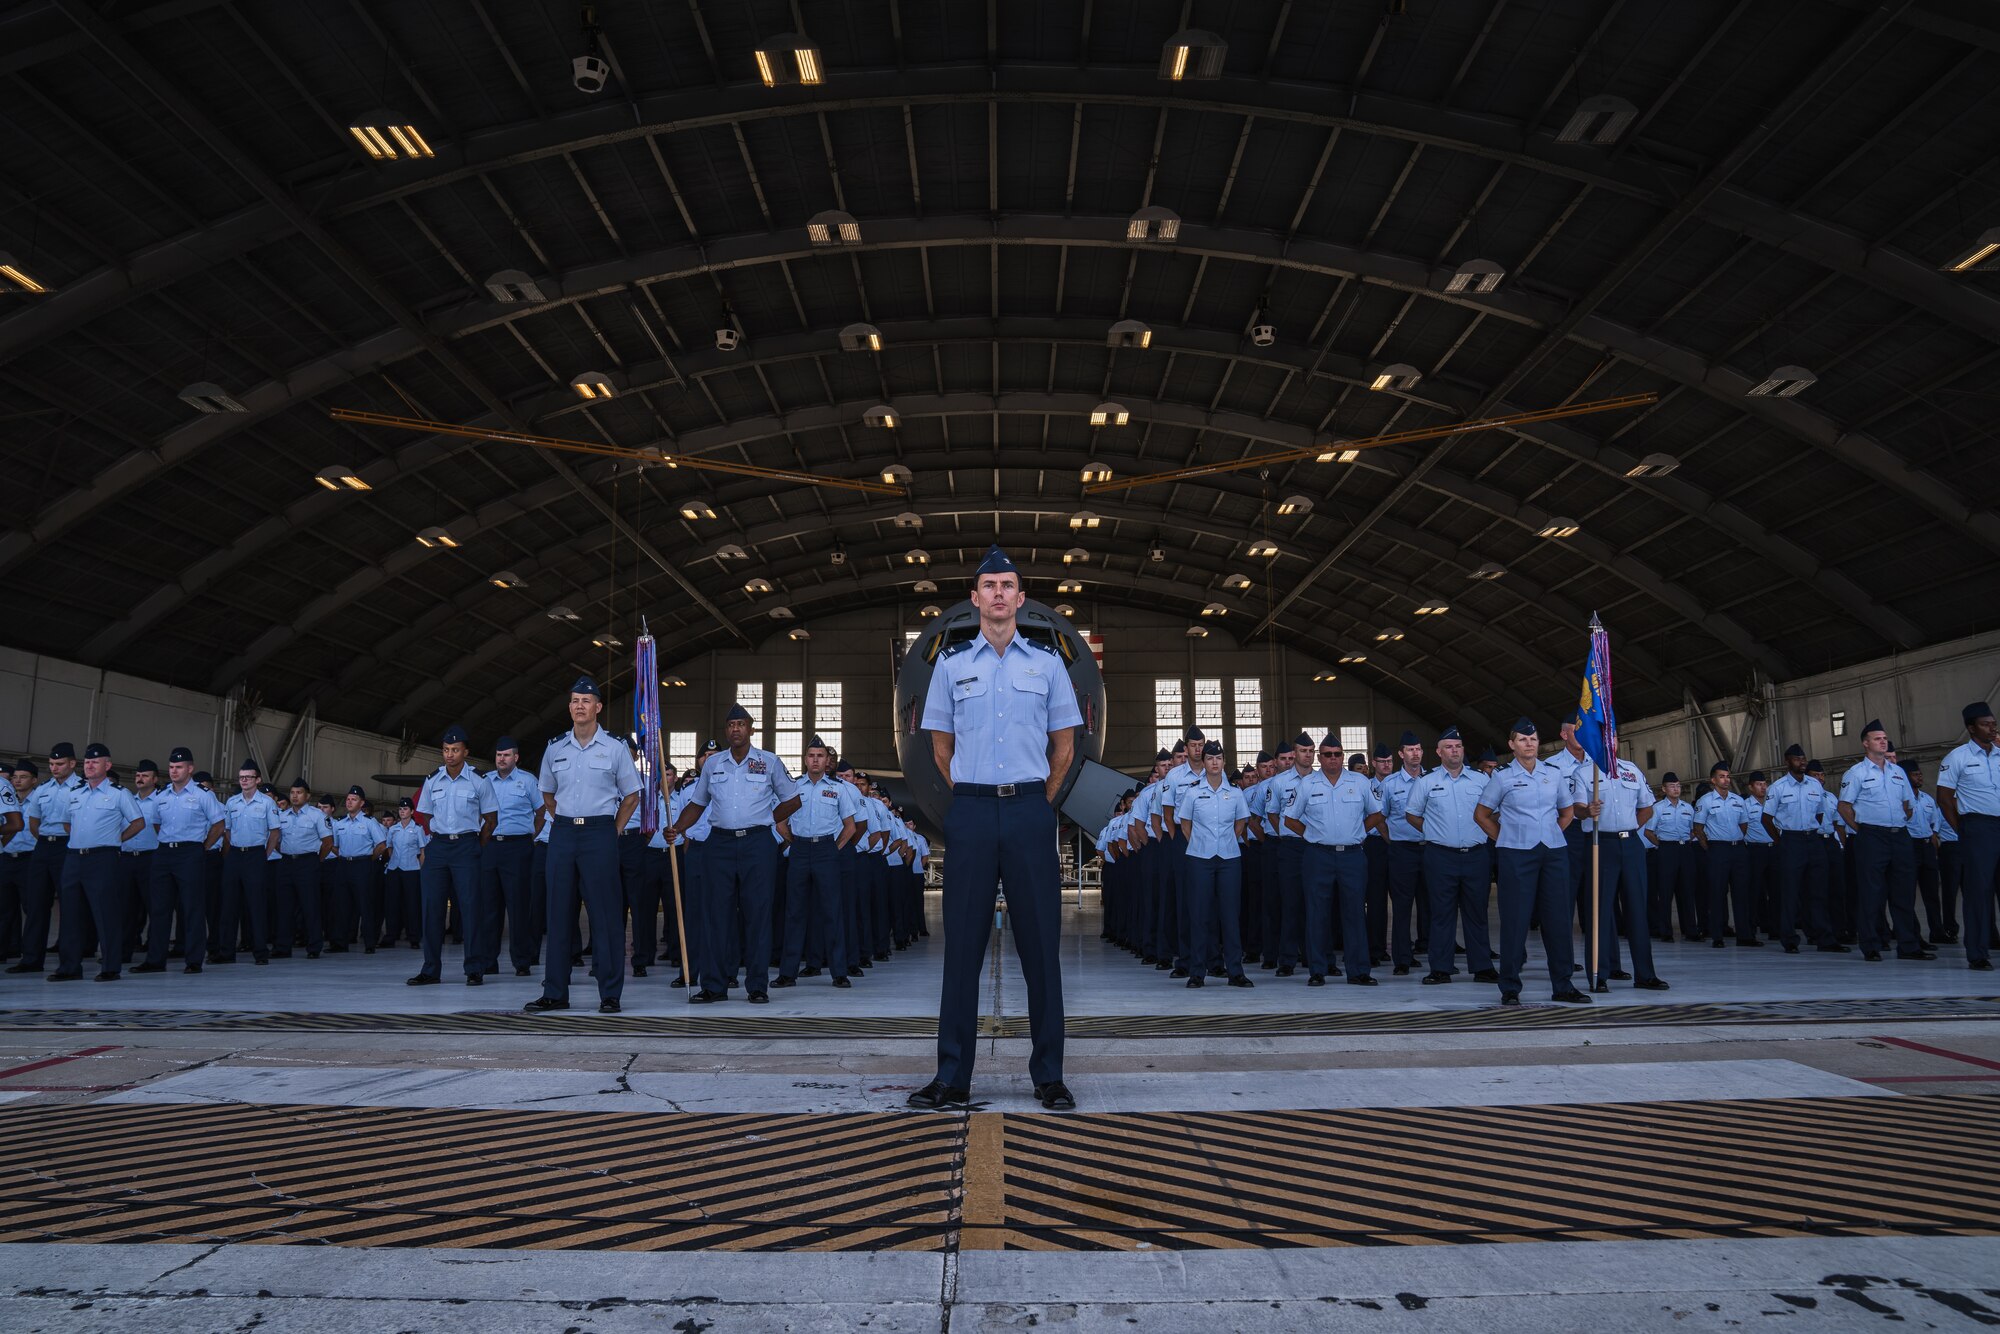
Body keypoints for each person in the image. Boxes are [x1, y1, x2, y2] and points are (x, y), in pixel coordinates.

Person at [908, 545, 1080, 1112]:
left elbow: (1065, 745)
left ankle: (1049, 1076)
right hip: (974, 812)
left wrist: (1039, 801)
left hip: (1031, 811)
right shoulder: (952, 666)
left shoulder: (1047, 664)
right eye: (990, 586)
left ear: (1021, 599)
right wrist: (973, 794)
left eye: (1009, 585)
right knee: (961, 948)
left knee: (1040, 951)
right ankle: (952, 1076)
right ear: (976, 598)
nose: (1000, 594)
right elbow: (939, 746)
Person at [667, 704, 802, 1004]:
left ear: (751, 729)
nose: (735, 729)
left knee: (757, 915)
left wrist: (769, 817)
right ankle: (714, 985)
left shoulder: (768, 762)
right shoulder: (714, 766)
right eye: (730, 725)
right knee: (716, 915)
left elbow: (792, 800)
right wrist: (676, 827)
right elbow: (698, 804)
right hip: (720, 845)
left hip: (757, 844)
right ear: (726, 730)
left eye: (741, 724)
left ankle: (757, 986)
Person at [529, 678, 643, 1013]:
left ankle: (609, 993)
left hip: (599, 834)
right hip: (563, 834)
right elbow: (547, 793)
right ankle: (554, 992)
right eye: (575, 700)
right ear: (570, 707)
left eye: (586, 700)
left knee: (605, 916)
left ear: (598, 707)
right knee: (559, 914)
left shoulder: (614, 748)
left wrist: (613, 831)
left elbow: (632, 796)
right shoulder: (556, 747)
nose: (580, 706)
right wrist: (562, 819)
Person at [1474, 718, 1589, 1006]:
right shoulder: (1501, 776)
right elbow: (1482, 815)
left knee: (1559, 920)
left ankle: (1563, 984)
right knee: (1515, 920)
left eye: (1534, 739)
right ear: (1512, 745)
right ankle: (1510, 986)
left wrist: (1548, 834)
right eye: (1523, 740)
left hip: (1553, 852)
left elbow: (1566, 812)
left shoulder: (1553, 774)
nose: (1529, 744)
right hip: (1516, 854)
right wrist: (1507, 837)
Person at [1287, 734, 1384, 986]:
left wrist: (1360, 832)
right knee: (1317, 913)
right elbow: (1289, 819)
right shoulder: (1307, 784)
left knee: (1354, 914)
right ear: (1320, 758)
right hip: (1318, 856)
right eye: (1328, 754)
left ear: (1343, 756)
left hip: (1352, 856)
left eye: (1337, 754)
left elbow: (1377, 813)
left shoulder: (1360, 782)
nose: (1333, 758)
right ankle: (1317, 970)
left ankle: (1359, 970)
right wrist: (1310, 835)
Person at [1404, 726, 1495, 985]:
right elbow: (1412, 814)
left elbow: (1493, 812)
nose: (1454, 751)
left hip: (1476, 854)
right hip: (1440, 856)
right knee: (1441, 914)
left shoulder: (1481, 780)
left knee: (1476, 913)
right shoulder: (1427, 782)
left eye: (1458, 746)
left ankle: (1482, 967)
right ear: (1439, 752)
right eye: (1449, 747)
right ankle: (1441, 968)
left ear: (1463, 750)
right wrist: (1433, 831)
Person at [49, 742, 145, 981]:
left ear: (107, 765)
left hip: (103, 858)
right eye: (88, 762)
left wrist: (115, 839)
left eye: (96, 761)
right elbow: (66, 823)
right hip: (74, 857)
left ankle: (111, 967)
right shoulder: (75, 794)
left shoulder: (118, 794)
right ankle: (69, 967)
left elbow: (138, 823)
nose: (90, 765)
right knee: (70, 914)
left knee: (106, 913)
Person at [1578, 739, 1667, 993]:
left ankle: (1645, 974)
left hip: (1630, 845)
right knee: (1600, 913)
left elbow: (1646, 807)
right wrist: (1587, 811)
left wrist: (1627, 827)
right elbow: (1575, 809)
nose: (1609, 741)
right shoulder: (1584, 772)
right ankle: (1599, 974)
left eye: (1613, 736)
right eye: (1603, 735)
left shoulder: (1631, 769)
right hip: (1600, 844)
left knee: (1638, 910)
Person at [412, 725, 497, 986]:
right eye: (446, 750)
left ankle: (474, 968)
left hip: (466, 846)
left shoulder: (478, 780)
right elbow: (425, 814)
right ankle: (430, 970)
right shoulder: (432, 780)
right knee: (431, 909)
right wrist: (438, 837)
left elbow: (491, 819)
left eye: (455, 750)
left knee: (471, 908)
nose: (450, 755)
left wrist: (474, 845)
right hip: (438, 848)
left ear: (465, 752)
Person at [1838, 720, 1929, 962]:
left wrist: (1897, 822)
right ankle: (1871, 945)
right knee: (1871, 892)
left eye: (1884, 738)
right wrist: (1864, 828)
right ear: (1866, 743)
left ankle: (1908, 945)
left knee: (1904, 892)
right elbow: (1844, 806)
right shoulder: (1856, 773)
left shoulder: (1898, 773)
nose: (1883, 741)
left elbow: (1908, 805)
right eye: (1877, 738)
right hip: (1871, 837)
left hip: (1899, 836)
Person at [778, 736, 858, 987]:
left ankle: (839, 972)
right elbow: (779, 821)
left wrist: (834, 849)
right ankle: (788, 973)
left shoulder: (839, 788)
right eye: (811, 755)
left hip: (826, 850)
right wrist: (794, 842)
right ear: (805, 759)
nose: (815, 760)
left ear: (827, 761)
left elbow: (850, 827)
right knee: (794, 912)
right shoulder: (793, 788)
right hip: (800, 849)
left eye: (820, 756)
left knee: (832, 911)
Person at [134, 747, 224, 974]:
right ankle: (155, 960)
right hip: (164, 853)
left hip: (191, 852)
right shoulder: (161, 796)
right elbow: (156, 824)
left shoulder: (203, 795)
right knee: (159, 908)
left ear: (190, 769)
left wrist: (203, 847)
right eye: (172, 767)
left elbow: (219, 825)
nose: (174, 771)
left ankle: (193, 960)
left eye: (179, 767)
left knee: (192, 907)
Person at [1180, 740, 1252, 988]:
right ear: (1204, 762)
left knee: (1230, 916)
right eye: (1210, 758)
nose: (1214, 762)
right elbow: (1185, 824)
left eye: (1218, 758)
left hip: (1229, 858)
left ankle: (1235, 972)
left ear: (1223, 762)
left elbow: (1241, 821)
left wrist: (1227, 840)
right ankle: (1197, 973)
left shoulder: (1235, 792)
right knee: (1200, 915)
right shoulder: (1192, 792)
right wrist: (1199, 844)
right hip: (1200, 859)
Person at [11, 742, 82, 975]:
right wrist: (44, 839)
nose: (55, 768)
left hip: (67, 847)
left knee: (69, 906)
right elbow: (33, 822)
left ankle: (69, 963)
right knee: (36, 904)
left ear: (72, 764)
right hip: (43, 846)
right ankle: (31, 959)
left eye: (60, 764)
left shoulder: (81, 788)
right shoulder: (43, 789)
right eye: (51, 764)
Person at [1937, 701, 1998, 971]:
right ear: (1972, 728)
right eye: (1986, 724)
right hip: (1977, 827)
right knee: (1978, 892)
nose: (1992, 727)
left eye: (1994, 723)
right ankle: (1977, 952)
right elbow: (1945, 798)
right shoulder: (1957, 757)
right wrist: (1962, 828)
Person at [1768, 744, 1841, 953]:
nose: (1802, 761)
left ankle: (1823, 938)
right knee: (1790, 893)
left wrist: (1811, 829)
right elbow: (1767, 818)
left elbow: (1819, 813)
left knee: (1818, 891)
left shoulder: (1815, 786)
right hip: (1791, 841)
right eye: (1797, 759)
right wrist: (1781, 840)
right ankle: (1789, 939)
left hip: (1813, 840)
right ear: (1787, 761)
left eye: (1803, 758)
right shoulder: (1779, 787)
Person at [483, 736, 542, 979]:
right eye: (498, 755)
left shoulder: (528, 781)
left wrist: (529, 836)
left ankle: (522, 961)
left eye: (506, 755)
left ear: (515, 757)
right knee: (489, 907)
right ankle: (488, 961)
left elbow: (541, 812)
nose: (501, 759)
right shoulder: (484, 781)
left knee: (518, 907)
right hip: (490, 847)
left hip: (518, 848)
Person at [216, 761, 280, 964]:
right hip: (235, 855)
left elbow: (275, 832)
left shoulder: (267, 803)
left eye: (248, 777)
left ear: (258, 780)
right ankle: (226, 952)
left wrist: (264, 854)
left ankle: (260, 952)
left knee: (256, 905)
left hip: (255, 855)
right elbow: (227, 830)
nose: (244, 780)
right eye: (241, 777)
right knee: (228, 905)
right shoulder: (232, 802)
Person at [1378, 730, 1429, 975]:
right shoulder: (1390, 784)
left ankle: (1436, 954)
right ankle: (1402, 958)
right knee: (1402, 906)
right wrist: (1392, 840)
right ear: (1401, 754)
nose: (1415, 753)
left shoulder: (1433, 779)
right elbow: (1380, 817)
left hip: (1430, 849)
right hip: (1402, 850)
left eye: (1418, 749)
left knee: (1433, 905)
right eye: (1410, 750)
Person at [1694, 761, 1754, 947]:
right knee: (1717, 893)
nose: (1726, 780)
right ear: (1713, 780)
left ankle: (1744, 935)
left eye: (1728, 776)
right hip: (1717, 849)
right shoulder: (1705, 801)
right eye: (1722, 776)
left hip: (1737, 848)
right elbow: (1698, 828)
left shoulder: (1738, 800)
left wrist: (1735, 841)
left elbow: (1743, 825)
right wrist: (1709, 847)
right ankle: (1717, 936)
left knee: (1741, 893)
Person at [273, 778, 332, 959]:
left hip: (308, 863)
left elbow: (328, 843)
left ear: (307, 796)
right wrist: (284, 851)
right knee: (284, 907)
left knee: (310, 906)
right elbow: (276, 840)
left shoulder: (317, 815)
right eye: (292, 792)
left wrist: (316, 860)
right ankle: (283, 947)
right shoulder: (282, 816)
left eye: (299, 793)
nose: (295, 796)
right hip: (286, 863)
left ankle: (314, 947)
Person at [329, 787, 385, 953]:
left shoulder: (369, 822)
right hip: (344, 865)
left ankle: (369, 943)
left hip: (362, 865)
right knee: (341, 905)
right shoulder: (340, 823)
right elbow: (334, 846)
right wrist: (345, 856)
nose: (349, 802)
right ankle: (340, 942)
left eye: (353, 799)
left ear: (361, 803)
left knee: (365, 904)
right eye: (347, 799)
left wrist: (368, 859)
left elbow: (381, 845)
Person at [1643, 774, 1699, 941]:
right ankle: (1666, 932)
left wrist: (1684, 842)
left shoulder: (1688, 808)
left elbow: (1693, 830)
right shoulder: (1658, 808)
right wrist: (1662, 845)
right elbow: (1648, 832)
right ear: (1664, 789)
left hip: (1685, 850)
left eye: (1678, 785)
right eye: (1672, 786)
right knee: (1665, 892)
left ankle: (1691, 931)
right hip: (1666, 850)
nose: (1676, 789)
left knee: (1688, 891)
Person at [384, 798, 426, 950]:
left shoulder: (417, 829)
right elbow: (389, 848)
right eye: (400, 809)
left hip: (411, 870)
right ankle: (390, 936)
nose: (402, 811)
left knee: (412, 904)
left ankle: (414, 937)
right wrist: (393, 862)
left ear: (412, 811)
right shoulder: (393, 829)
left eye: (405, 809)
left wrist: (420, 868)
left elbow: (422, 851)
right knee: (392, 905)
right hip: (395, 869)